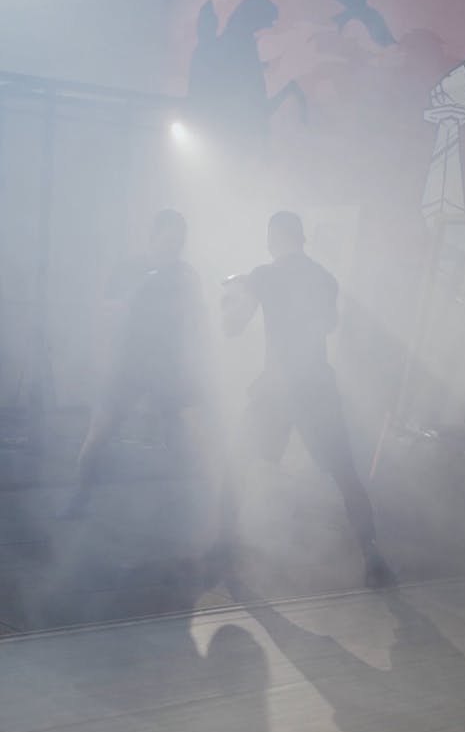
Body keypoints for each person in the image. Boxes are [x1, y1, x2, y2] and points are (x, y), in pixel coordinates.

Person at [222, 210, 395, 588]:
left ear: (274, 239)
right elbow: (330, 325)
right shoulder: (324, 279)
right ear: (302, 239)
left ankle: (220, 552)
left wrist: (231, 299)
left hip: (279, 388)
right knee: (346, 473)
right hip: (317, 385)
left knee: (236, 462)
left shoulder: (264, 276)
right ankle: (372, 555)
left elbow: (233, 329)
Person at [65, 209, 209, 516]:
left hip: (167, 367)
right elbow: (106, 311)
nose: (172, 249)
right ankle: (79, 496)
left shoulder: (185, 275)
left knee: (183, 435)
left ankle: (192, 506)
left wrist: (196, 365)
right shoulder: (130, 269)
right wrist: (134, 297)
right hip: (127, 364)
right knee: (99, 433)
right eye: (167, 242)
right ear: (154, 237)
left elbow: (198, 320)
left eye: (178, 244)